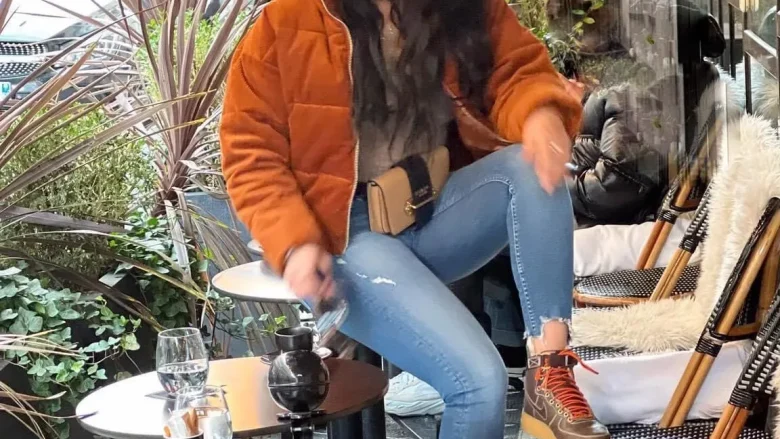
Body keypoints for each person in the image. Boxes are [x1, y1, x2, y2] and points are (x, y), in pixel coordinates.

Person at [220, 0, 609, 438]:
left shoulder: (462, 8)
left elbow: (517, 71)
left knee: (530, 167)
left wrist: (540, 115)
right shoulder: (285, 21)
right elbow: (250, 151)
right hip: (347, 237)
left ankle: (550, 373)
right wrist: (294, 242)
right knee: (480, 382)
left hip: (433, 210)